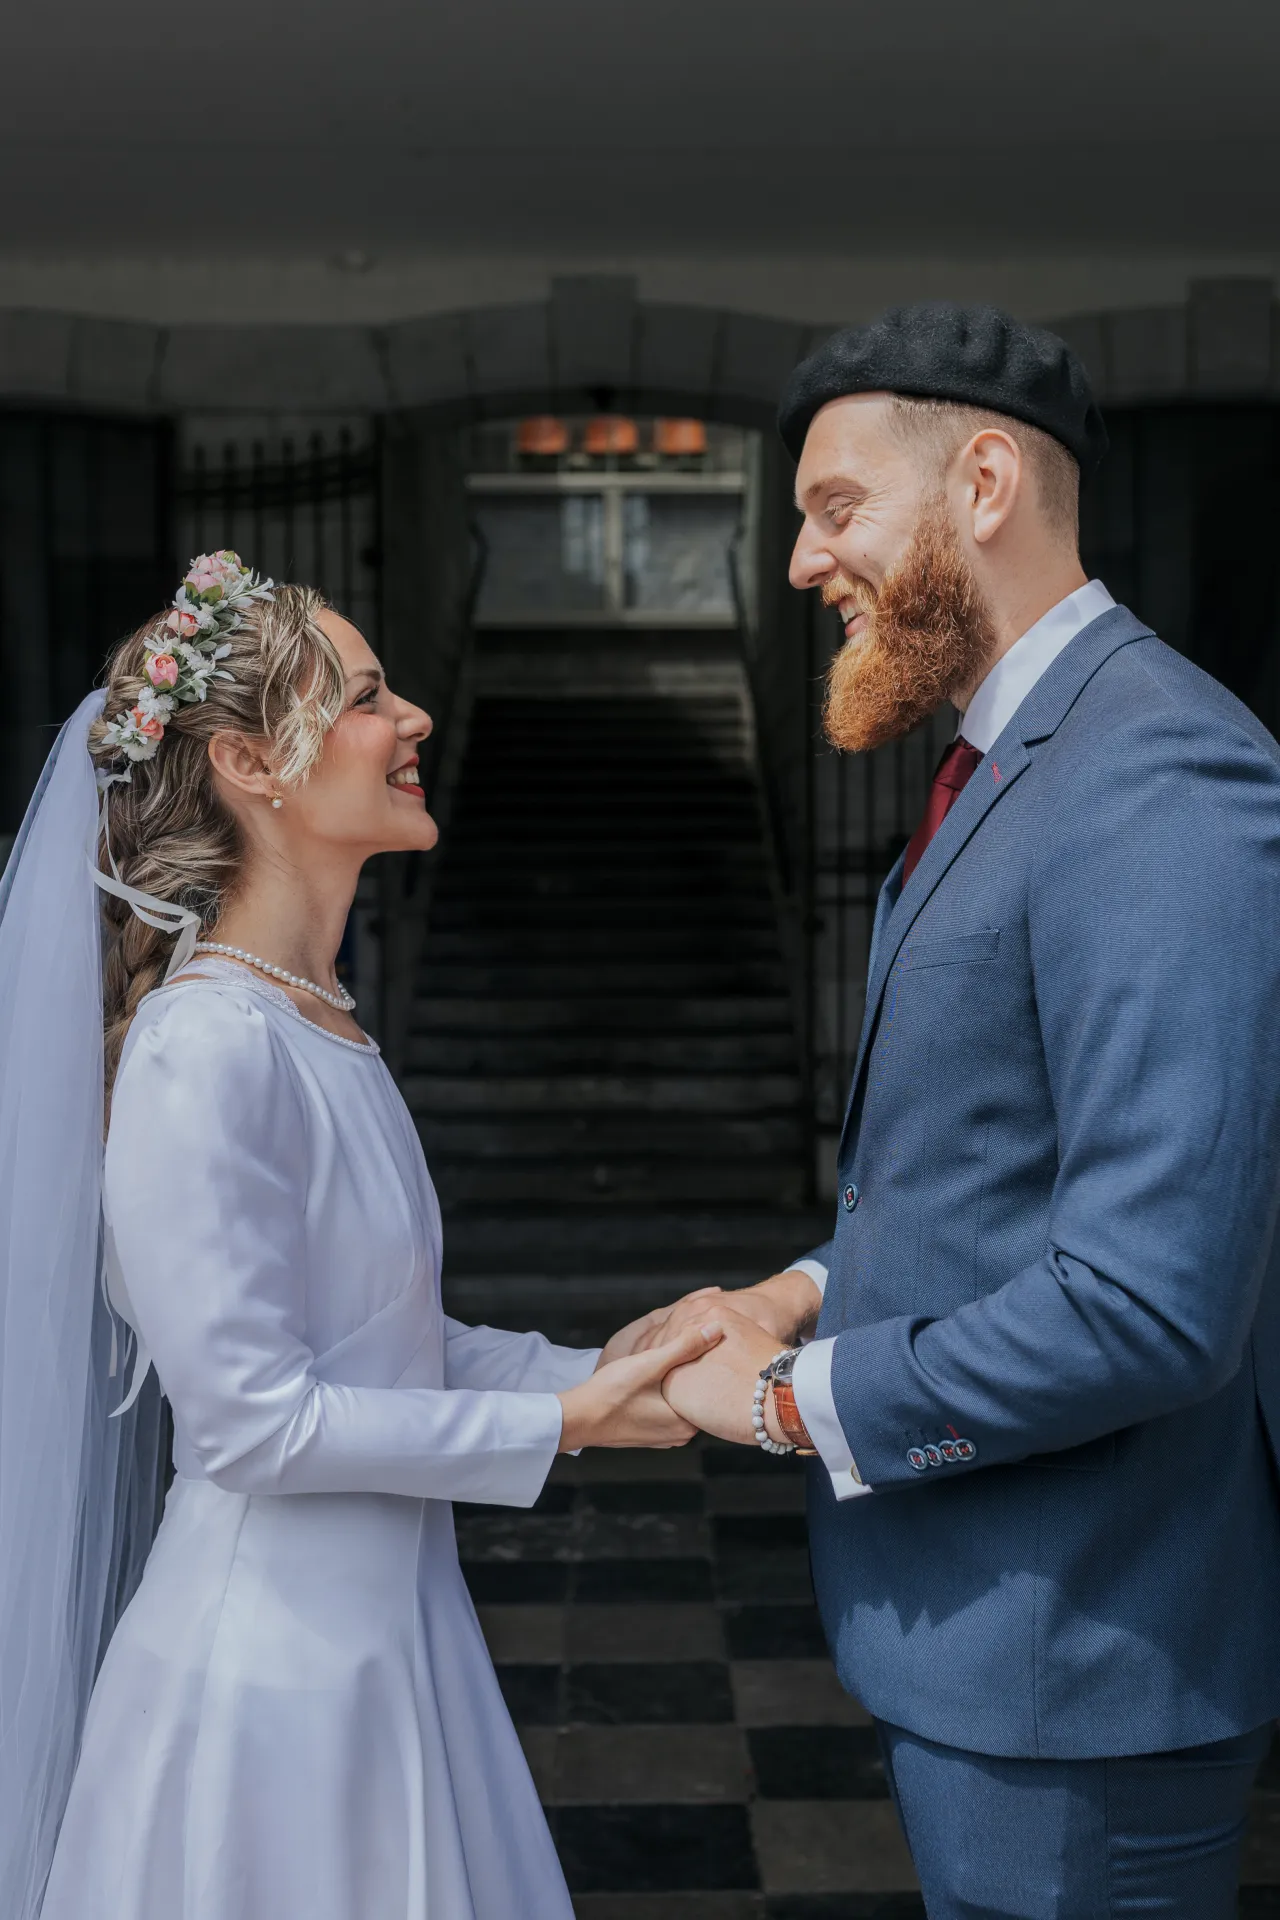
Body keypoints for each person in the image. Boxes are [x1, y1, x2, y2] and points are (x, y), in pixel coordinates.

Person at [644, 303, 1280, 1917]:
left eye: (835, 506)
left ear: (985, 481)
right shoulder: (1002, 767)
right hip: (997, 1660)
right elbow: (988, 1178)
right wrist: (796, 1284)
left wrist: (793, 1397)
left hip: (1083, 1662)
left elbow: (1147, 1301)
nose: (800, 562)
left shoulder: (1157, 775)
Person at [0, 555, 719, 1920]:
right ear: (252, 764)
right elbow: (254, 1426)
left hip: (395, 1654)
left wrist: (619, 1366)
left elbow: (382, 1346)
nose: (417, 723)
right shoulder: (203, 1046)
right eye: (372, 696)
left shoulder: (313, 1020)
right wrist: (561, 1421)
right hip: (268, 1699)